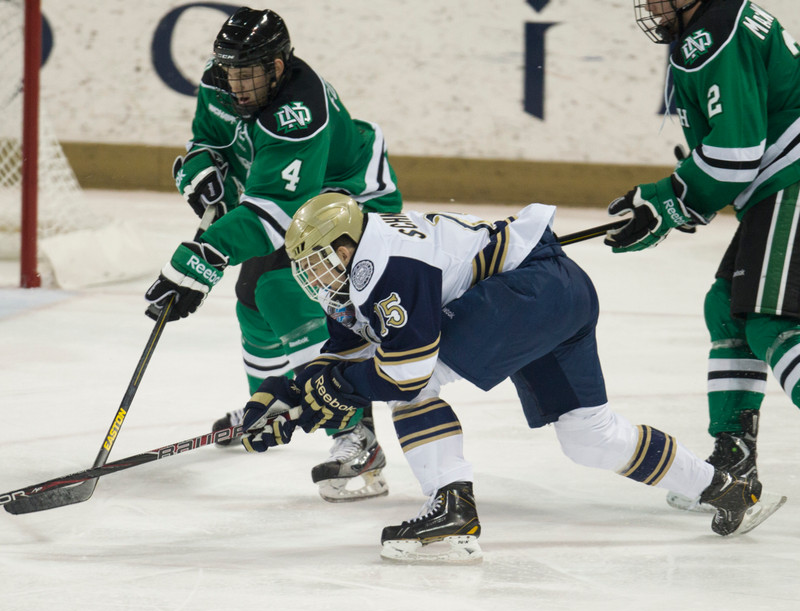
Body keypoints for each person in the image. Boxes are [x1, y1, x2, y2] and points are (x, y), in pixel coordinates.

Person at [237, 193, 785, 562]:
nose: (317, 280)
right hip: (556, 290)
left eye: (320, 264)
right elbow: (343, 354)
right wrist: (278, 396)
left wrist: (322, 399)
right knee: (589, 437)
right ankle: (724, 488)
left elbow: (401, 375)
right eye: (307, 270)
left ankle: (451, 504)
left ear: (347, 246)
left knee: (415, 386)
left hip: (527, 295)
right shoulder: (360, 261)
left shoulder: (389, 265)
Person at [143, 7, 401, 503]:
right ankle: (268, 406)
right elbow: (210, 140)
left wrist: (202, 257)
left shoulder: (298, 111)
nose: (237, 85)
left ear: (278, 66)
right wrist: (202, 169)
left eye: (250, 74)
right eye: (232, 72)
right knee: (251, 301)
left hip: (347, 203)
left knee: (282, 290)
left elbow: (273, 216)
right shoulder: (221, 82)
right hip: (291, 201)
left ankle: (356, 435)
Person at [605, 0, 800, 511]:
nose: (647, 5)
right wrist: (681, 199)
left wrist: (672, 197)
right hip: (778, 184)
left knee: (766, 317)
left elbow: (736, 154)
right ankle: (734, 457)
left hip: (793, 180)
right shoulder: (720, 22)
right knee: (727, 306)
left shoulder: (711, 35)